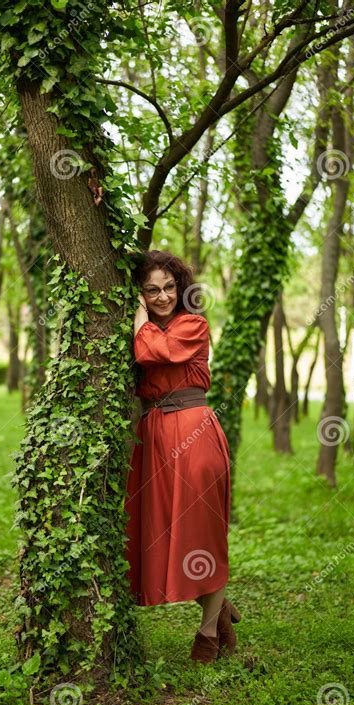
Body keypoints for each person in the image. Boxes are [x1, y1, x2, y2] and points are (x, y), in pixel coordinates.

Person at [124, 250, 241, 664]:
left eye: (169, 287)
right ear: (140, 291)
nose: (162, 296)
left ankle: (208, 632)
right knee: (164, 537)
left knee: (202, 537)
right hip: (154, 437)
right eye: (151, 290)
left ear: (181, 287)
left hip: (194, 433)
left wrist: (139, 317)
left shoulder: (193, 324)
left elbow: (152, 353)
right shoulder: (137, 327)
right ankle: (220, 607)